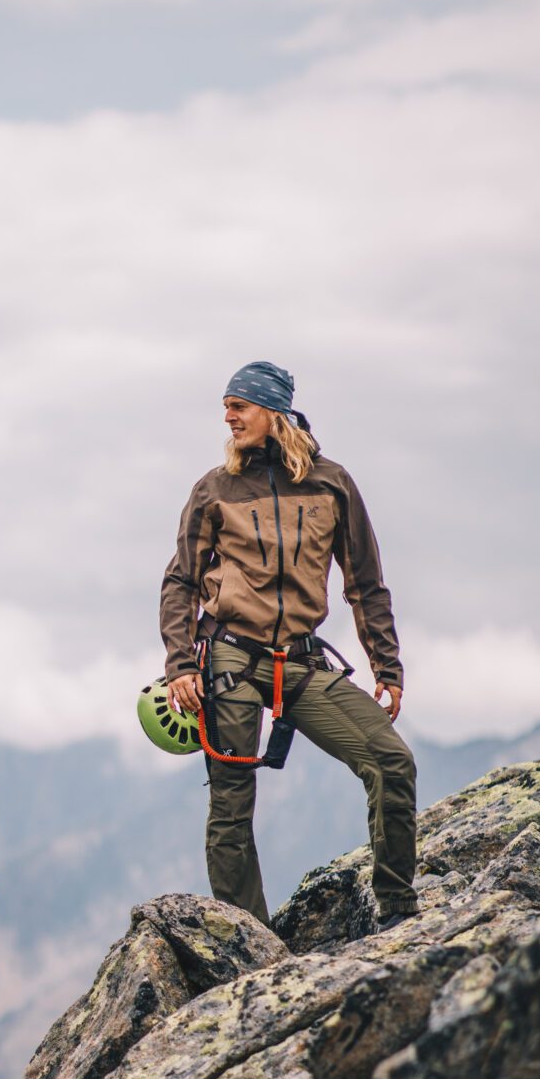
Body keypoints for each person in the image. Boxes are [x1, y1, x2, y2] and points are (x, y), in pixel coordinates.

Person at [160, 360, 418, 930]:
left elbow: (365, 583)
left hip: (301, 662)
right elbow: (180, 581)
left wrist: (387, 666)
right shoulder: (214, 490)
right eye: (225, 406)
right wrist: (181, 663)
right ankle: (249, 944)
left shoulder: (332, 484)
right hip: (228, 658)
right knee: (230, 805)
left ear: (274, 413)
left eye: (239, 406)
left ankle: (398, 909)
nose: (228, 416)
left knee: (391, 762)